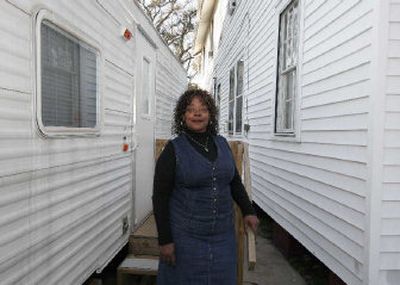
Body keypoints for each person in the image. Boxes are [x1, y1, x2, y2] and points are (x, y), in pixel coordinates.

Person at [152, 88, 259, 285]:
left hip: (223, 237)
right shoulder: (173, 150)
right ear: (183, 116)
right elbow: (159, 198)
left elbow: (234, 181)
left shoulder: (222, 144)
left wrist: (248, 210)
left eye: (203, 109)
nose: (197, 113)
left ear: (210, 115)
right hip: (186, 239)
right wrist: (165, 240)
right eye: (191, 109)